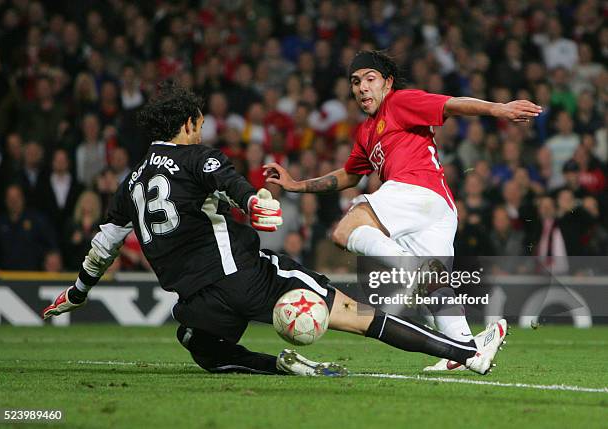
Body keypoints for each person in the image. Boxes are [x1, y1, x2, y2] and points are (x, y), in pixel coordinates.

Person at [43, 84, 505, 377]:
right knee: (354, 315)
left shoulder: (130, 182)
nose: (202, 130)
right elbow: (230, 181)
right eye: (199, 124)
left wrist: (78, 292)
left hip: (197, 301)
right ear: (187, 124)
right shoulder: (196, 156)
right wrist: (254, 202)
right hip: (248, 276)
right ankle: (467, 353)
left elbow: (103, 244)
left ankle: (281, 368)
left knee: (197, 342)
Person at [264, 50, 534, 371]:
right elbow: (350, 174)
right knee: (436, 291)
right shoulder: (366, 132)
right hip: (440, 208)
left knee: (344, 231)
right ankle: (468, 350)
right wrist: (298, 185)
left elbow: (450, 104)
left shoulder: (399, 102)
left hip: (417, 190)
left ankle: (413, 272)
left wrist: (498, 109)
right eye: (355, 82)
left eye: (370, 79)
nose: (362, 87)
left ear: (387, 83)